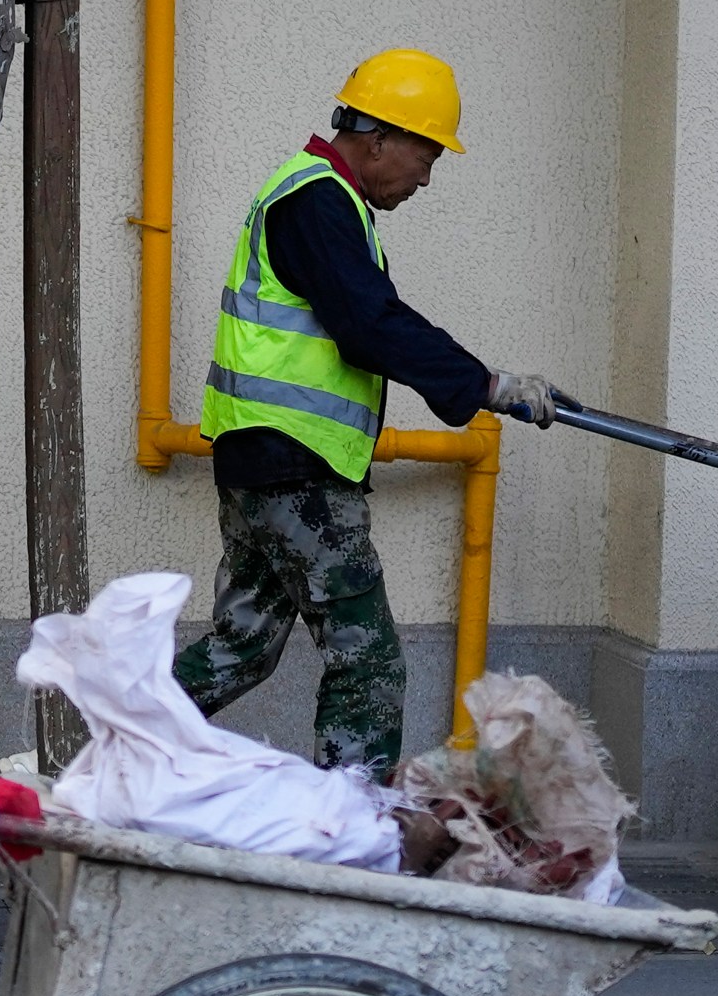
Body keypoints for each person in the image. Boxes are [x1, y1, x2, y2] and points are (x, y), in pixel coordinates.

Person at [173, 49, 559, 777]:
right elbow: (369, 323)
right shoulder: (316, 200)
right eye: (424, 154)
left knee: (241, 648)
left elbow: (358, 321)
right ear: (377, 137)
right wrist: (482, 383)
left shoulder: (314, 196)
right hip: (296, 469)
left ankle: (99, 751)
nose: (426, 176)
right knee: (369, 664)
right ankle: (353, 835)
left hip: (262, 462)